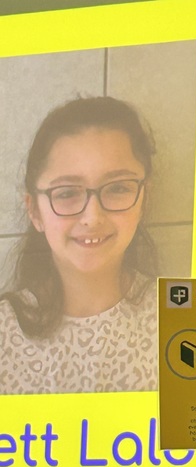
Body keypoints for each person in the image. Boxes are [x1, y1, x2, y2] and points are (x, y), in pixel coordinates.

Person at [0, 96, 158, 395]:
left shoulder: (182, 320)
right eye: (67, 193)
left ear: (144, 198)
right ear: (34, 210)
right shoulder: (3, 334)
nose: (92, 217)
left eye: (118, 188)